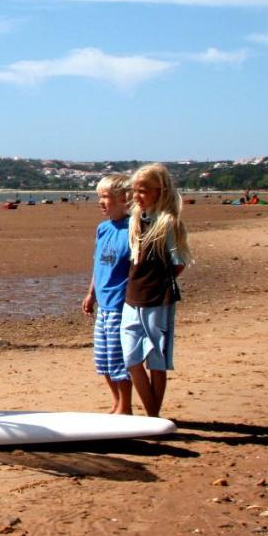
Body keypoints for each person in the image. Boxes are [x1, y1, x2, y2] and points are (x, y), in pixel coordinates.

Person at [122, 163, 191, 418]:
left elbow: (180, 262)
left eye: (143, 191)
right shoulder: (136, 220)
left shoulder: (168, 223)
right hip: (133, 297)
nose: (137, 196)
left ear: (159, 191)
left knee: (156, 360)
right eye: (134, 191)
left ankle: (153, 417)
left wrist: (161, 282)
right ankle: (153, 414)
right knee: (131, 357)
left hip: (158, 299)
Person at [81, 174, 133, 414]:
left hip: (121, 304)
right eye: (99, 197)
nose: (101, 202)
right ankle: (115, 401)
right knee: (102, 359)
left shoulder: (133, 229)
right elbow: (97, 266)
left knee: (118, 358)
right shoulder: (102, 229)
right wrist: (90, 294)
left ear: (123, 199)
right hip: (103, 303)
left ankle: (125, 405)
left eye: (106, 197)